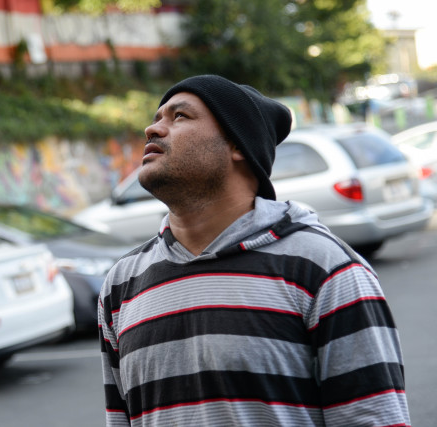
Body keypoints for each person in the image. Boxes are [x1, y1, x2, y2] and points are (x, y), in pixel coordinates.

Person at [98, 75, 410, 426]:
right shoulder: (122, 284)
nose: (152, 129)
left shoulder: (324, 269)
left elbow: (373, 419)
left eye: (180, 116)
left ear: (239, 146)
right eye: (156, 118)